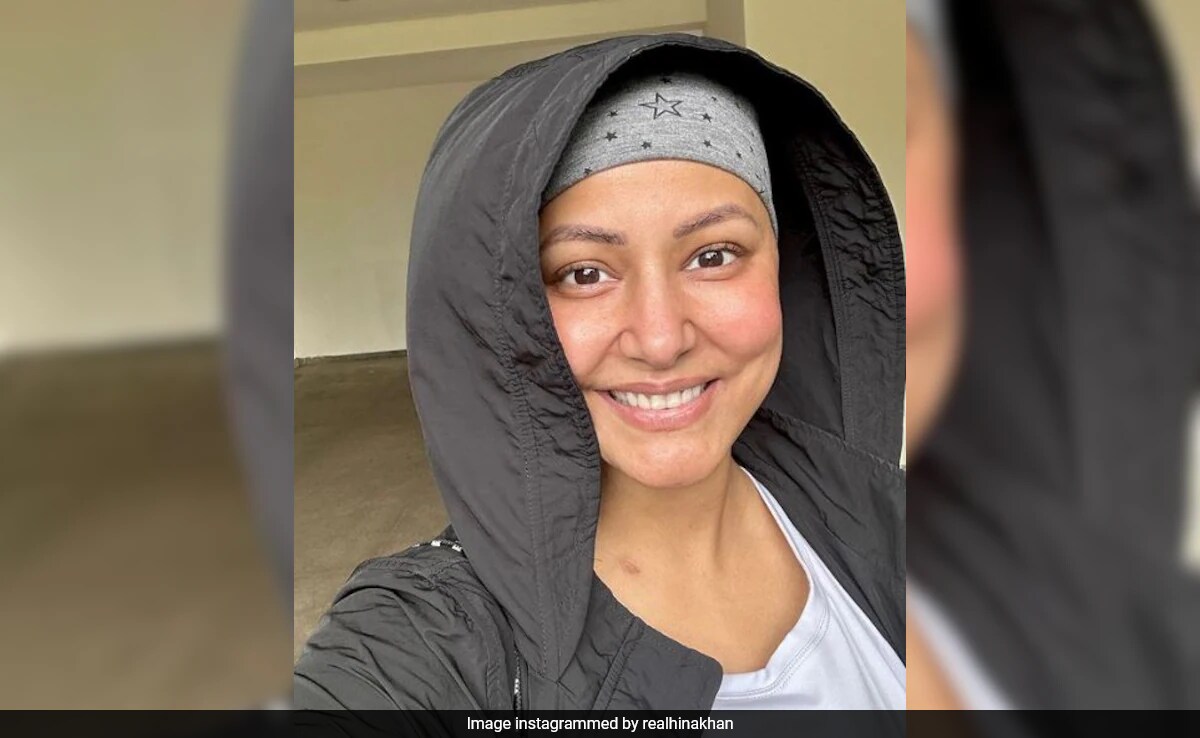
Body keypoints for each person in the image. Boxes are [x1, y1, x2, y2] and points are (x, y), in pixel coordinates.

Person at [294, 33, 905, 714]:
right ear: (505, 313)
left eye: (713, 256)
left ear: (784, 272)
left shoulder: (889, 513)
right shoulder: (428, 642)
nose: (661, 339)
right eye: (584, 273)